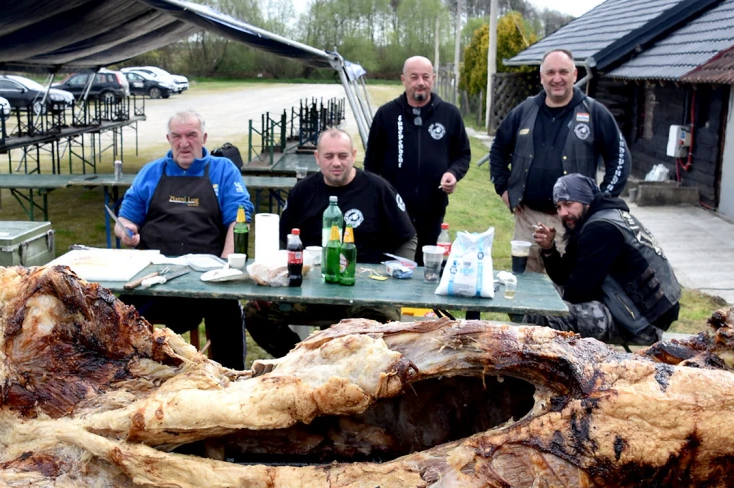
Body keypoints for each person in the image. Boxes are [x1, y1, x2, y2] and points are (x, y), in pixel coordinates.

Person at [244, 128, 417, 358]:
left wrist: (397, 282)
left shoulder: (378, 189)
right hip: (310, 289)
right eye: (329, 156)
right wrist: (276, 276)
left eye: (343, 156)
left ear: (354, 155)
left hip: (365, 289)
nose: (336, 163)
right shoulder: (302, 192)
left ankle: (350, 374)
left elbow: (407, 236)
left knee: (378, 325)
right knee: (256, 313)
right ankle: (299, 361)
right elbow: (282, 239)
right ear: (317, 157)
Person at [113, 109, 254, 370]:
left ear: (204, 137)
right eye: (177, 136)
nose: (184, 143)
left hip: (207, 274)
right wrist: (127, 232)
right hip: (154, 274)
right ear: (169, 138)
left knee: (227, 314)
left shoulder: (223, 170)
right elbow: (125, 220)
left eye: (191, 135)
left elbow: (239, 217)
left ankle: (231, 380)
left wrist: (228, 264)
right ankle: (129, 380)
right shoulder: (151, 172)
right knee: (115, 317)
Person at [490, 49, 631, 274]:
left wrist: (600, 201)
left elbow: (620, 158)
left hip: (572, 225)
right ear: (541, 77)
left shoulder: (594, 112)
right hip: (527, 218)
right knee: (524, 287)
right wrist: (503, 187)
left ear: (574, 74)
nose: (557, 78)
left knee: (566, 288)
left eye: (563, 72)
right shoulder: (524, 111)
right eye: (551, 72)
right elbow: (498, 149)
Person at [523, 174, 680, 345]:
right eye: (558, 207)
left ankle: (529, 367)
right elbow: (563, 276)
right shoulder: (598, 218)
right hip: (634, 310)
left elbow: (577, 292)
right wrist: (549, 248)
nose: (563, 213)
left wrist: (552, 301)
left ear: (587, 201)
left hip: (642, 322)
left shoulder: (601, 229)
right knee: (535, 295)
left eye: (568, 204)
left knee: (543, 314)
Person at [364, 55, 471, 261]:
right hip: (392, 212)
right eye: (414, 77)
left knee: (427, 272)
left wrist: (453, 173)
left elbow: (462, 154)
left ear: (433, 78)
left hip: (432, 211)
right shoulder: (386, 115)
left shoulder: (450, 114)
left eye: (425, 77)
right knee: (393, 269)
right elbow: (371, 164)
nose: (420, 82)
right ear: (403, 80)